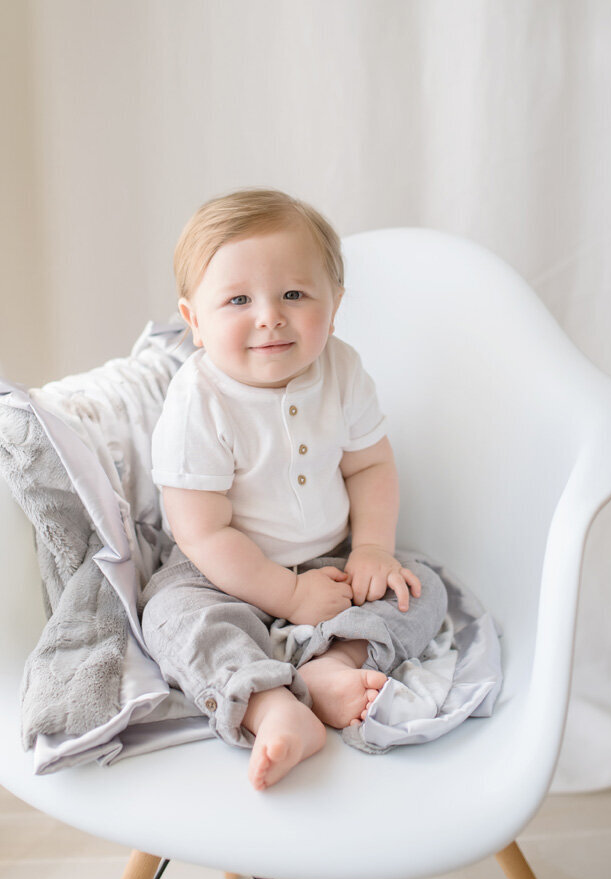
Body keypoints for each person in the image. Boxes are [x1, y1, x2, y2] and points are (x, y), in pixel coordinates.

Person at [141, 189, 447, 790]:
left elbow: (370, 468)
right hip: (219, 571)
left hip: (330, 563)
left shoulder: (342, 368)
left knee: (423, 588)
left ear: (333, 307)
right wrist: (285, 595)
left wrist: (372, 551)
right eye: (237, 299)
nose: (269, 316)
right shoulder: (198, 403)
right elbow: (202, 530)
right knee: (171, 618)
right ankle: (268, 705)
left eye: (294, 294)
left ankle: (334, 668)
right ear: (194, 321)